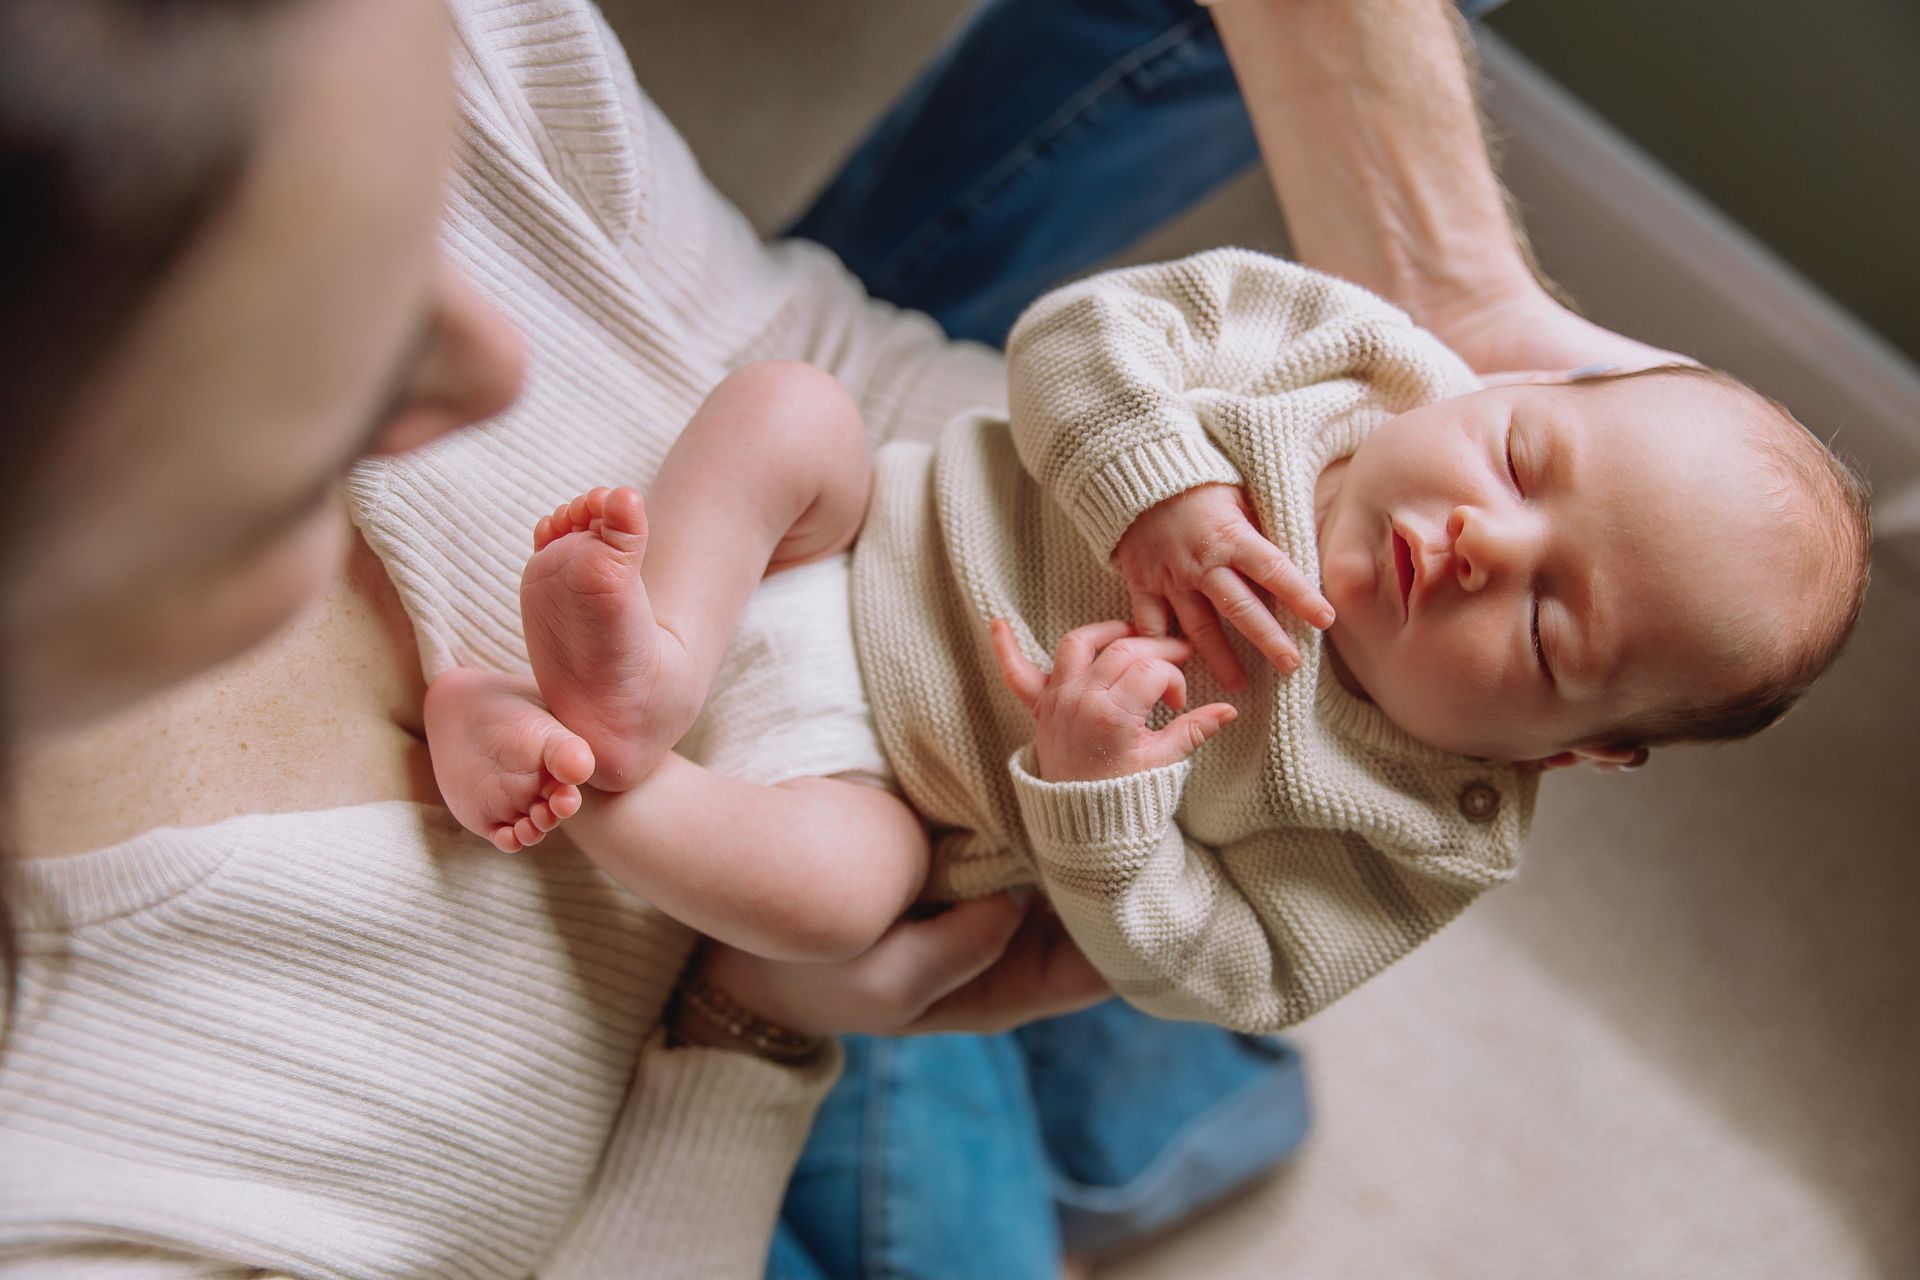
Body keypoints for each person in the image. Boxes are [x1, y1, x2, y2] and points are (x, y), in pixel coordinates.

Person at [0, 1, 1107, 1274]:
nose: (500, 366)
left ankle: (665, 689)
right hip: (742, 991)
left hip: (849, 646)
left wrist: (1149, 508)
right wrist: (746, 1034)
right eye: (332, 312)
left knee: (798, 416)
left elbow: (826, 357)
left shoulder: (387, 33)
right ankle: (1118, 1120)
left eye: (425, 212)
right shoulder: (91, 1186)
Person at [423, 247, 1870, 1031]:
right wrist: (1152, 484)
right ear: (1504, 383)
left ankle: (602, 778)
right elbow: (1081, 333)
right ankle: (650, 661)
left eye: (1551, 624)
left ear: (1576, 749)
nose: (1488, 539)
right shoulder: (1338, 357)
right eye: (1524, 454)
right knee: (793, 411)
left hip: (873, 781)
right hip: (862, 531)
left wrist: (1106, 809)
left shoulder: (1429, 834)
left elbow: (1236, 975)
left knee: (846, 901)